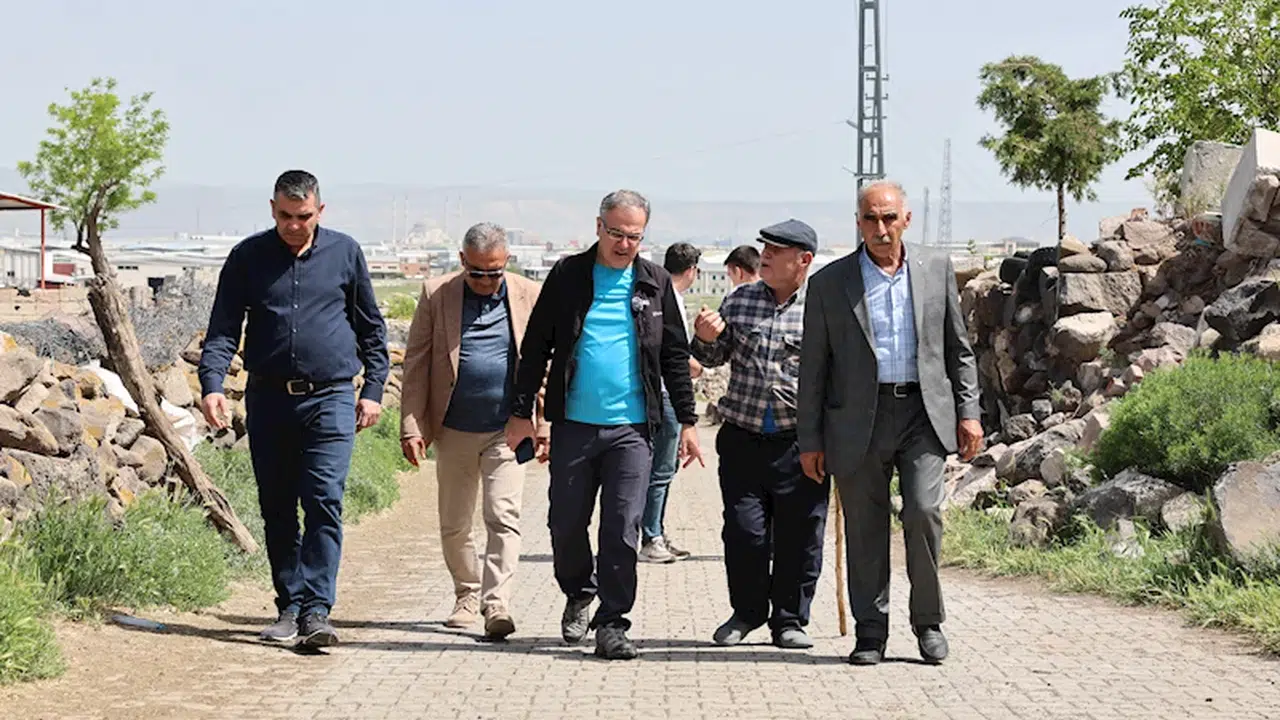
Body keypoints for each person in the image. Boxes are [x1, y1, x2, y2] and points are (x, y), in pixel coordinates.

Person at [506, 189, 703, 660]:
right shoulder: (568, 275)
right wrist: (520, 413)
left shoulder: (654, 282)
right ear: (598, 227)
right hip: (574, 425)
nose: (624, 244)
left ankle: (613, 623)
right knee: (565, 523)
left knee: (622, 527)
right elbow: (536, 347)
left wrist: (688, 422)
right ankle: (579, 590)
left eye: (634, 236)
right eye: (616, 233)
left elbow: (675, 356)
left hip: (633, 431)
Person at [198, 169, 389, 649]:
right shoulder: (248, 257)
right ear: (272, 209)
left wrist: (373, 389)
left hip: (330, 398)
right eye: (285, 215)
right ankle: (289, 606)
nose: (294, 225)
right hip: (269, 400)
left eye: (303, 216)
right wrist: (212, 384)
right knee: (278, 505)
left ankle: (317, 610)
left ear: (319, 211)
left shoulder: (345, 253)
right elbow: (223, 329)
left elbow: (371, 328)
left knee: (324, 499)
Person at [797, 180, 982, 666]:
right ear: (858, 223)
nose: (881, 229)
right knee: (865, 527)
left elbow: (959, 349)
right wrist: (810, 439)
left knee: (923, 511)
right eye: (871, 219)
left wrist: (969, 412)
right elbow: (813, 369)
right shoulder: (830, 283)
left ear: (906, 219)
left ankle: (928, 623)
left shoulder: (935, 268)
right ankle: (871, 632)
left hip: (923, 414)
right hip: (857, 420)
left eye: (889, 218)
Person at [399, 222, 549, 640]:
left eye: (494, 272)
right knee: (455, 522)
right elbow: (416, 363)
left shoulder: (528, 294)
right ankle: (466, 593)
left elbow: (546, 365)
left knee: (503, 516)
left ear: (507, 262)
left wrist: (544, 423)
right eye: (477, 272)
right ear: (462, 260)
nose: (485, 281)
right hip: (453, 429)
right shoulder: (436, 294)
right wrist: (411, 426)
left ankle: (496, 603)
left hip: (508, 429)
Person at [691, 218, 829, 650]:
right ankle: (746, 613)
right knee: (744, 533)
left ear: (803, 260)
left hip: (800, 445)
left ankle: (789, 620)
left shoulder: (824, 307)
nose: (764, 256)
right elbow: (713, 358)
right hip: (743, 439)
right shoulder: (740, 301)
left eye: (776, 250)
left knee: (799, 536)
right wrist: (704, 339)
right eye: (764, 248)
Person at [639, 242, 702, 564]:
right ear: (692, 270)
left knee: (664, 469)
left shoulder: (658, 294)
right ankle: (650, 536)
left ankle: (657, 532)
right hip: (666, 394)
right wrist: (694, 366)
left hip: (661, 393)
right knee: (661, 470)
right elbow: (671, 353)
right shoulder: (670, 298)